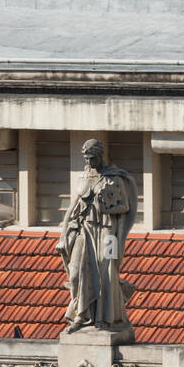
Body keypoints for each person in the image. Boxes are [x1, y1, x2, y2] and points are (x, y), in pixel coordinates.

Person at [56, 140, 138, 335]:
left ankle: (105, 318)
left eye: (92, 157)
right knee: (75, 274)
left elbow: (125, 207)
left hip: (107, 230)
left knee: (106, 271)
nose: (89, 161)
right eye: (86, 158)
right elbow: (71, 208)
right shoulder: (83, 176)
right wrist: (62, 236)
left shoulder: (113, 177)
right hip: (84, 229)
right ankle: (80, 315)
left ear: (100, 156)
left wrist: (106, 206)